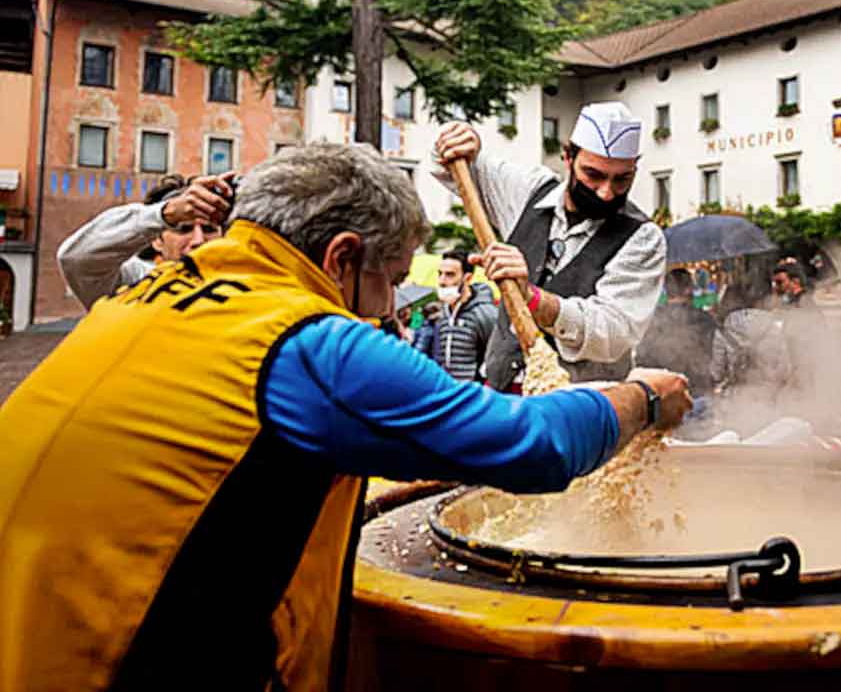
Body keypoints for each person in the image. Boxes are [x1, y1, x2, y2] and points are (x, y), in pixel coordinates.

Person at [0, 143, 691, 691]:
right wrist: (643, 397)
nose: (390, 305)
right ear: (342, 257)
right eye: (392, 278)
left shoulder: (158, 291)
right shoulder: (306, 341)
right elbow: (532, 444)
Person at [433, 102, 667, 391]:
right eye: (593, 175)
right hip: (503, 391)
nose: (606, 193)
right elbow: (450, 167)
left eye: (622, 179)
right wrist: (458, 138)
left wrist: (532, 298)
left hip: (582, 402)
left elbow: (612, 330)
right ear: (568, 158)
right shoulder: (529, 190)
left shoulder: (642, 237)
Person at [57, 171, 236, 309]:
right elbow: (76, 258)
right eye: (183, 230)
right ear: (157, 241)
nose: (198, 240)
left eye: (209, 230)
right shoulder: (135, 282)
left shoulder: (237, 287)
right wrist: (165, 213)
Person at [636, 268, 719, 395]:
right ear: (688, 289)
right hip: (698, 390)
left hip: (663, 393)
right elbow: (717, 356)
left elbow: (642, 359)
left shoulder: (651, 321)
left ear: (666, 290)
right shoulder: (704, 319)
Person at [419, 250, 498, 382]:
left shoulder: (484, 313)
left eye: (450, 275)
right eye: (440, 274)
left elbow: (496, 358)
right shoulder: (440, 315)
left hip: (472, 390)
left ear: (467, 278)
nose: (442, 281)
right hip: (444, 388)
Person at [711, 278, 792, 393]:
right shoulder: (774, 326)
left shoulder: (722, 331)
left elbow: (717, 371)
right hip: (769, 392)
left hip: (737, 393)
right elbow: (785, 367)